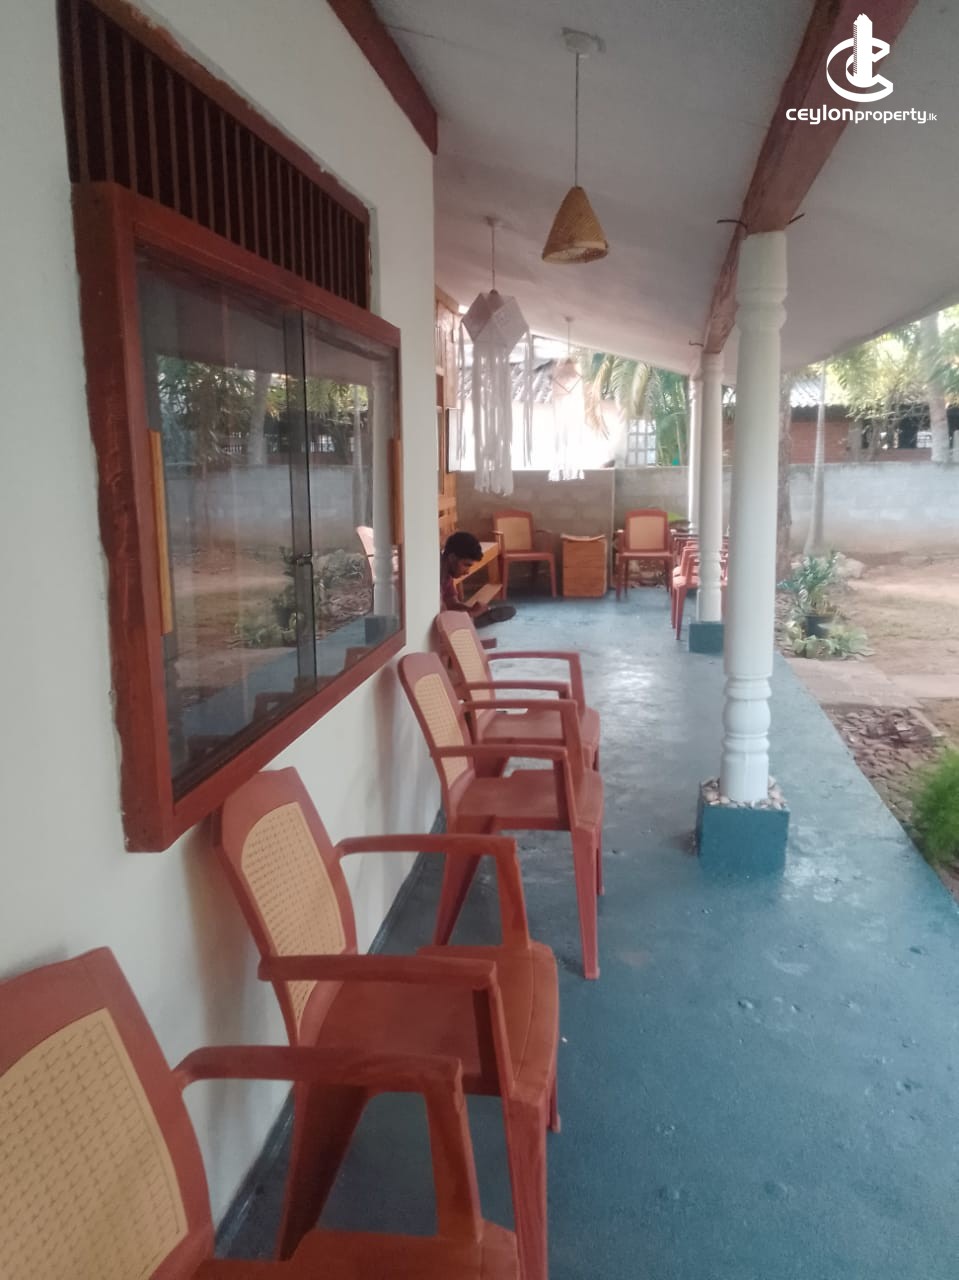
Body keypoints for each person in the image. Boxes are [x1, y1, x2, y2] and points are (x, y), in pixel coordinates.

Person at [440, 531, 516, 628]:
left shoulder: (447, 574)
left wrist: (471, 610)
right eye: (466, 565)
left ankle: (472, 620)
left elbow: (452, 604)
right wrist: (471, 613)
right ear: (452, 558)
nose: (467, 572)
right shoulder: (435, 577)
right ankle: (470, 622)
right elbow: (441, 618)